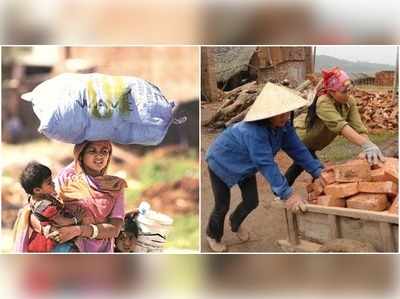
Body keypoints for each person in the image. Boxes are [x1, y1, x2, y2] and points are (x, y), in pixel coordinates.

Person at [205, 83, 324, 252]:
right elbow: (266, 164)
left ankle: (235, 222)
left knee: (251, 201)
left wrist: (317, 170)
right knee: (221, 205)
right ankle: (212, 234)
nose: (285, 117)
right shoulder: (253, 132)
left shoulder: (284, 126)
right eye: (280, 114)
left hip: (245, 164)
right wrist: (287, 194)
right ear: (268, 114)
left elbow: (297, 149)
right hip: (221, 161)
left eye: (287, 112)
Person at [285, 67, 385, 186]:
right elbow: (341, 126)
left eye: (349, 89)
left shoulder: (349, 101)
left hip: (314, 141)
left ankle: (284, 191)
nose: (348, 94)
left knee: (300, 164)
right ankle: (295, 192)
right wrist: (366, 145)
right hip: (301, 138)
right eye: (344, 91)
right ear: (331, 92)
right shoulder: (323, 102)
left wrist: (369, 146)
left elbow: (358, 128)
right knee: (320, 171)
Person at [29, 140, 127, 252]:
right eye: (92, 151)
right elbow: (34, 208)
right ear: (80, 154)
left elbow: (114, 229)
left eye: (105, 151)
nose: (99, 155)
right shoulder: (66, 178)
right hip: (63, 248)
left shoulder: (115, 186)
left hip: (98, 252)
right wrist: (48, 230)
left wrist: (77, 230)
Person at [18, 161, 84, 252]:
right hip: (52, 242)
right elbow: (61, 221)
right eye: (49, 183)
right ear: (37, 190)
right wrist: (76, 219)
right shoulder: (46, 207)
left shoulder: (34, 198)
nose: (53, 183)